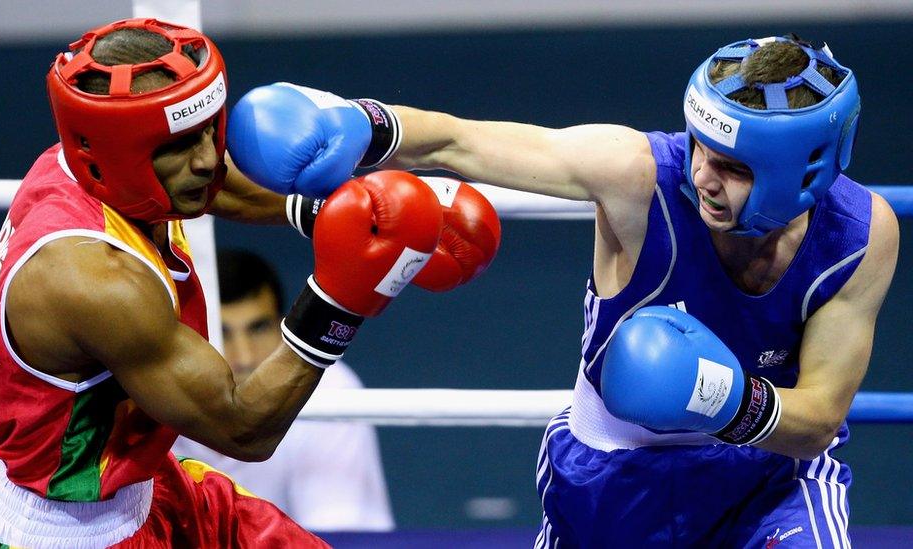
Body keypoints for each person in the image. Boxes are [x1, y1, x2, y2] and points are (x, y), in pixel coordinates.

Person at [226, 34, 899, 547]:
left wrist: (719, 399)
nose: (702, 175)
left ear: (800, 173)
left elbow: (816, 423)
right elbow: (464, 141)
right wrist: (361, 126)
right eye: (698, 147)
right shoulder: (638, 177)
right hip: (614, 480)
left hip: (768, 482)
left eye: (730, 166)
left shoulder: (861, 236)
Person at [0, 18, 491, 548]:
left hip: (153, 490)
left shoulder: (83, 164)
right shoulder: (95, 279)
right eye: (176, 146)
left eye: (207, 132)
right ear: (112, 153)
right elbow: (244, 427)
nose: (205, 160)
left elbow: (210, 186)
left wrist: (347, 216)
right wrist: (342, 297)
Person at [172, 249, 395, 531]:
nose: (244, 357)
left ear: (283, 325)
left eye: (258, 328)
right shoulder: (147, 390)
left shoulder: (330, 393)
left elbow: (340, 533)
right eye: (222, 332)